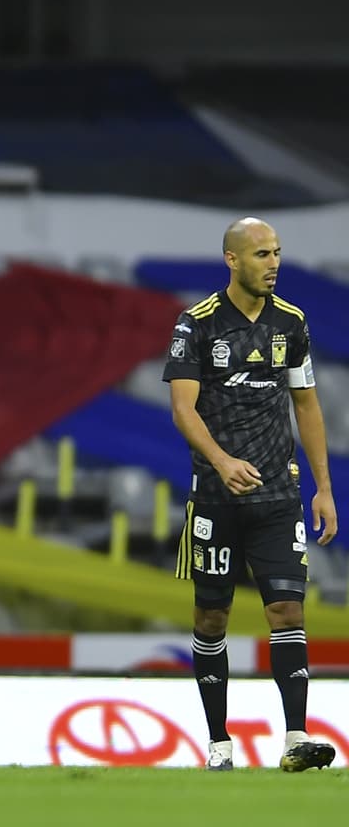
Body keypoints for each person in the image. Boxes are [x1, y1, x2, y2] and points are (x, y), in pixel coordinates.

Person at [162, 217, 338, 772]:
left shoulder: (292, 322)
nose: (274, 263)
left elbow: (307, 404)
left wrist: (324, 488)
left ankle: (295, 738)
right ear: (232, 260)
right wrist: (222, 461)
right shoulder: (196, 324)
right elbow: (183, 409)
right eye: (262, 254)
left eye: (277, 252)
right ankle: (219, 744)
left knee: (287, 610)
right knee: (211, 619)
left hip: (279, 496)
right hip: (215, 499)